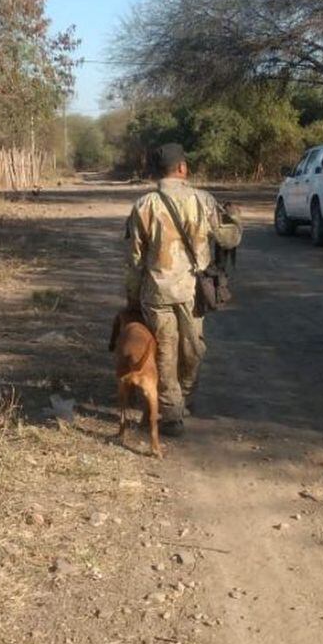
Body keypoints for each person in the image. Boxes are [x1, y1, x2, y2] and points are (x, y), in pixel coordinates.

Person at [125, 144, 241, 437]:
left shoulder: (143, 205)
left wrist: (131, 297)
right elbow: (229, 239)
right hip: (194, 292)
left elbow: (135, 260)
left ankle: (173, 408)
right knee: (193, 350)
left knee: (165, 352)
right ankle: (179, 406)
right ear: (182, 168)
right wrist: (236, 218)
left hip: (156, 293)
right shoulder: (204, 201)